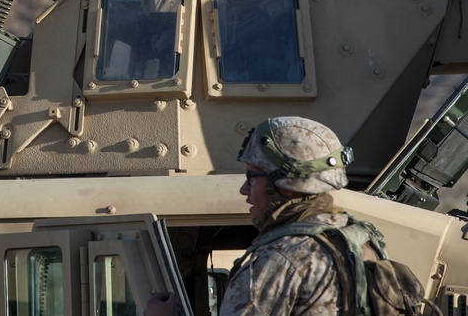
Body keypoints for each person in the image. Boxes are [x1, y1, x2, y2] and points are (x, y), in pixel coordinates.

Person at [146, 116, 357, 316]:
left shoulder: (279, 258)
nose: (244, 190)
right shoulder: (357, 240)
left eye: (252, 177)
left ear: (287, 186)